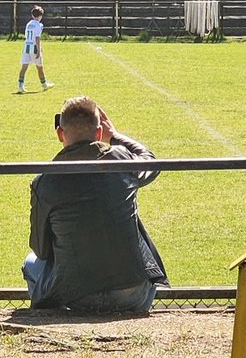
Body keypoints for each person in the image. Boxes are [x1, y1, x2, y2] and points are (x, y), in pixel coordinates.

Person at [22, 97, 168, 313]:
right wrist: (115, 136)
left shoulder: (44, 182)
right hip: (134, 295)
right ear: (99, 133)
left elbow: (40, 250)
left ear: (60, 133)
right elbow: (150, 161)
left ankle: (49, 313)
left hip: (77, 298)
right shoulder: (121, 160)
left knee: (30, 263)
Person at [17, 5, 53, 93]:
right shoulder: (39, 25)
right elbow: (37, 38)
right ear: (40, 16)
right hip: (34, 47)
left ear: (32, 15)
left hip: (26, 46)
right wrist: (38, 50)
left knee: (24, 67)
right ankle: (44, 84)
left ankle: (20, 86)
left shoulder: (29, 24)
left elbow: (26, 36)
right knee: (39, 67)